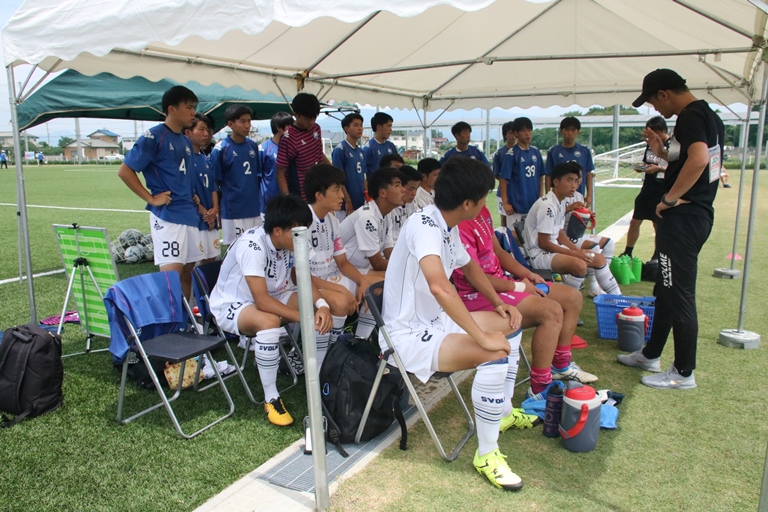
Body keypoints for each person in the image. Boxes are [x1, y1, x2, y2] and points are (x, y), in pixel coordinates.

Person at [381, 157, 526, 491]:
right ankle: (487, 454)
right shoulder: (424, 225)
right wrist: (482, 337)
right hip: (407, 335)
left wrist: (498, 302)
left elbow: (469, 265)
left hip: (437, 322)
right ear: (467, 204)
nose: (486, 204)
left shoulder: (447, 223)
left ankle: (503, 410)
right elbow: (439, 286)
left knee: (510, 323)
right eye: (484, 197)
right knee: (494, 353)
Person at [618, 68, 724, 390]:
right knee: (665, 289)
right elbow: (683, 159)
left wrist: (669, 199)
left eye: (653, 101)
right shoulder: (708, 116)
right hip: (693, 216)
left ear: (664, 94)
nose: (655, 108)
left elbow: (700, 160)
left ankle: (683, 372)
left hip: (684, 219)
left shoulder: (690, 116)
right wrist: (661, 149)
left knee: (678, 294)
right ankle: (650, 354)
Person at [209, 195, 332, 426]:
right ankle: (271, 397)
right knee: (269, 321)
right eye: (297, 231)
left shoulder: (293, 239)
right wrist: (305, 319)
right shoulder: (252, 246)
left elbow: (302, 277)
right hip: (234, 304)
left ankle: (318, 376)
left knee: (317, 309)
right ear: (277, 231)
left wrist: (322, 306)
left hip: (273, 296)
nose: (302, 236)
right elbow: (262, 302)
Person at [453, 203, 597, 399]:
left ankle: (561, 366)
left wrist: (528, 275)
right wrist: (519, 286)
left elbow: (499, 252)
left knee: (573, 297)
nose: (484, 200)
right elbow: (474, 277)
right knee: (551, 311)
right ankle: (539, 388)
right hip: (477, 296)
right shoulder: (459, 223)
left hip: (503, 283)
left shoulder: (482, 211)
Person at [118, 85, 203, 299]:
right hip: (168, 216)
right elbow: (125, 171)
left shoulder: (185, 140)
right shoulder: (154, 136)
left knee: (188, 273)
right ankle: (168, 318)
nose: (193, 112)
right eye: (189, 107)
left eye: (194, 107)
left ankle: (184, 317)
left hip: (189, 214)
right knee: (170, 278)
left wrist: (192, 194)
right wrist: (151, 198)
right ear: (172, 109)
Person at [304, 164, 378, 344]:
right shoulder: (302, 221)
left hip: (330, 277)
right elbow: (301, 276)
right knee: (340, 301)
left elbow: (342, 262)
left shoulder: (333, 220)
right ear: (319, 195)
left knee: (376, 288)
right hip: (309, 284)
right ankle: (330, 352)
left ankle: (359, 342)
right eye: (336, 190)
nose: (342, 196)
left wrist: (362, 281)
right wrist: (341, 289)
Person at [523, 162, 621, 295]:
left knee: (599, 259)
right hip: (538, 254)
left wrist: (576, 250)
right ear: (556, 181)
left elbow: (559, 234)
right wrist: (575, 254)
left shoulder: (559, 202)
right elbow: (544, 243)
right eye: (569, 180)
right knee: (580, 266)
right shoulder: (547, 206)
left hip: (551, 250)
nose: (574, 185)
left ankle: (618, 299)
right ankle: (567, 299)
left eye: (576, 181)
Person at [340, 167, 404, 340]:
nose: (403, 190)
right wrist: (407, 266)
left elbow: (389, 251)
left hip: (359, 268)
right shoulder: (367, 216)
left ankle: (363, 339)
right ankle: (361, 339)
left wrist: (405, 264)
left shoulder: (385, 214)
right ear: (383, 193)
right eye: (397, 185)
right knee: (386, 282)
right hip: (341, 269)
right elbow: (377, 262)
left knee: (395, 277)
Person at [209, 104, 262, 248]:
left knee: (256, 248)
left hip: (254, 209)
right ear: (230, 124)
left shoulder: (252, 146)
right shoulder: (221, 149)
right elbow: (214, 183)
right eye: (242, 121)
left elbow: (257, 176)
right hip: (233, 210)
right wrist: (216, 209)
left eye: (249, 121)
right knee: (235, 250)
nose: (247, 125)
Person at [620, 116, 670, 262]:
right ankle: (628, 251)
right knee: (635, 221)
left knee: (657, 224)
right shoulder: (650, 145)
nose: (652, 137)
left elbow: (678, 168)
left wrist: (658, 169)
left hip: (662, 191)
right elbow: (647, 161)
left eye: (655, 133)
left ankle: (657, 255)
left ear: (662, 131)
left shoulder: (672, 145)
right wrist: (642, 167)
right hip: (647, 189)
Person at [562, 174, 616, 297]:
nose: (575, 184)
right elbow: (555, 221)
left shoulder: (579, 196)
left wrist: (588, 215)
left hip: (578, 234)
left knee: (609, 243)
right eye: (571, 180)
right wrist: (569, 208)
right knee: (593, 247)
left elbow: (578, 221)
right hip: (565, 236)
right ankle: (593, 285)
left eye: (578, 179)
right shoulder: (558, 197)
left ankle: (601, 281)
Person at [276, 93, 330, 200]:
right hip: (301, 195)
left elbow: (319, 153)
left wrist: (331, 169)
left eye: (314, 118)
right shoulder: (288, 138)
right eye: (307, 118)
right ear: (296, 115)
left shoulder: (316, 129)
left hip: (320, 189)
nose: (311, 122)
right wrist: (288, 199)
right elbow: (280, 172)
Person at [185, 113, 220, 264]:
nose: (206, 134)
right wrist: (206, 214)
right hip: (195, 219)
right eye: (201, 129)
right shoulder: (184, 159)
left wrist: (215, 210)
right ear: (188, 132)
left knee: (210, 261)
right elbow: (188, 192)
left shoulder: (205, 159)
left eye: (207, 130)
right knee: (190, 264)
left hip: (209, 218)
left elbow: (213, 187)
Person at [499, 117, 544, 224]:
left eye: (529, 130)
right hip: (516, 206)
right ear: (516, 133)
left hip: (534, 204)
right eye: (523, 131)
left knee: (534, 233)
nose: (527, 134)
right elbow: (503, 179)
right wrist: (505, 203)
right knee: (516, 234)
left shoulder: (536, 152)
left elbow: (541, 175)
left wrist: (541, 196)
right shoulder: (511, 154)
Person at [544, 117, 595, 207]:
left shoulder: (585, 151)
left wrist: (589, 195)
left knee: (578, 216)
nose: (570, 133)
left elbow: (588, 173)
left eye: (573, 130)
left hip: (578, 194)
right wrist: (548, 194)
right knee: (559, 216)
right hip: (559, 196)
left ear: (578, 132)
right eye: (567, 130)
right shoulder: (553, 151)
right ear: (561, 131)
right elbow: (548, 174)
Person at [331, 113, 368, 217]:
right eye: (355, 125)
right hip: (345, 205)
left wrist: (368, 195)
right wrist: (347, 200)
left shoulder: (360, 152)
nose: (360, 128)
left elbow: (363, 177)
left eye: (361, 125)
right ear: (346, 129)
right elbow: (338, 179)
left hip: (360, 202)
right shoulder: (340, 150)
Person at [261, 111, 293, 216]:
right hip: (269, 204)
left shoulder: (293, 148)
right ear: (279, 128)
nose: (293, 129)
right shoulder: (264, 149)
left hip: (290, 203)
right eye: (289, 126)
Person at [385, 165, 421, 243]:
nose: (414, 193)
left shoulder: (412, 203)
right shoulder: (388, 206)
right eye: (411, 189)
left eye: (416, 189)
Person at [492, 122, 516, 228]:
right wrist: (507, 182)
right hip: (503, 192)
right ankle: (504, 237)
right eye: (510, 133)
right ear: (505, 135)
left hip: (520, 192)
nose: (513, 136)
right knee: (505, 220)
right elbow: (496, 173)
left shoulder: (523, 151)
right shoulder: (499, 153)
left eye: (515, 133)